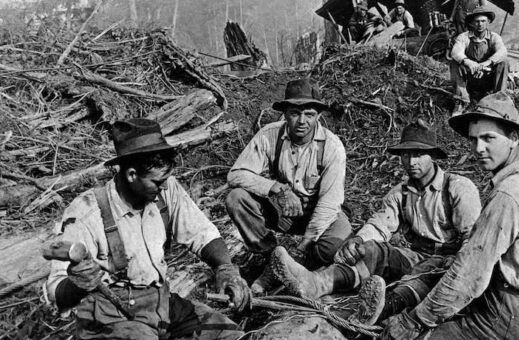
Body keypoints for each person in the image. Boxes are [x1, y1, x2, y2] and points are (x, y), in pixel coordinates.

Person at [44, 119, 250, 339]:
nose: (164, 187)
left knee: (229, 334)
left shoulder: (165, 188)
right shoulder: (87, 213)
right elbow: (56, 291)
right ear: (132, 175)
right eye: (157, 182)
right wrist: (79, 283)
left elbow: (202, 234)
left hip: (160, 304)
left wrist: (225, 268)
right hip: (109, 318)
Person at [381, 92, 519, 340]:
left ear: (513, 137)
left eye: (488, 138)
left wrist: (413, 320)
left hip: (508, 314)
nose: (478, 148)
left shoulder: (509, 193)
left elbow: (470, 275)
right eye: (474, 139)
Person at [270, 120, 481, 324]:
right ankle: (316, 284)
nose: (411, 162)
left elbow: (473, 238)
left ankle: (377, 312)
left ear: (433, 156)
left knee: (425, 273)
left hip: (450, 261)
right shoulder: (401, 193)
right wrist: (358, 240)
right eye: (406, 155)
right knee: (370, 250)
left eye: (418, 154)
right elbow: (380, 224)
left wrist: (457, 272)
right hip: (416, 255)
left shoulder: (458, 188)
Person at [226, 78, 352, 296]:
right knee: (236, 198)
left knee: (335, 244)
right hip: (283, 209)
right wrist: (277, 188)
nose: (302, 121)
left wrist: (304, 244)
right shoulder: (269, 135)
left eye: (309, 114)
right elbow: (235, 175)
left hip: (317, 211)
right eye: (295, 113)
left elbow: (330, 203)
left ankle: (297, 264)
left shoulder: (332, 147)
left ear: (318, 116)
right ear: (285, 113)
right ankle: (271, 257)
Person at [449, 6, 508, 116]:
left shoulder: (494, 37)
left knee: (503, 62)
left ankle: (498, 102)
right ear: (471, 23)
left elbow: (502, 51)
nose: (480, 24)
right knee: (454, 63)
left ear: (488, 22)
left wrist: (486, 63)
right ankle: (462, 102)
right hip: (470, 77)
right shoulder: (463, 37)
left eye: (483, 21)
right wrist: (469, 63)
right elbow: (456, 52)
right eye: (477, 21)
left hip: (487, 77)